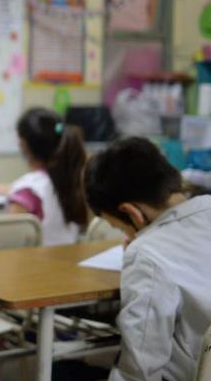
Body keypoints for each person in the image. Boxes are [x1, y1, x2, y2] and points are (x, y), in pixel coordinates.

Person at [84, 137, 211, 381]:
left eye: (120, 227)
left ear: (132, 212)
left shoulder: (146, 257)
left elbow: (140, 369)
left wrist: (142, 247)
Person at [0, 108, 88, 245]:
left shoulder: (28, 191)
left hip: (35, 263)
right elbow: (18, 189)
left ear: (23, 145)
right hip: (64, 260)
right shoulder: (66, 180)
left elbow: (8, 242)